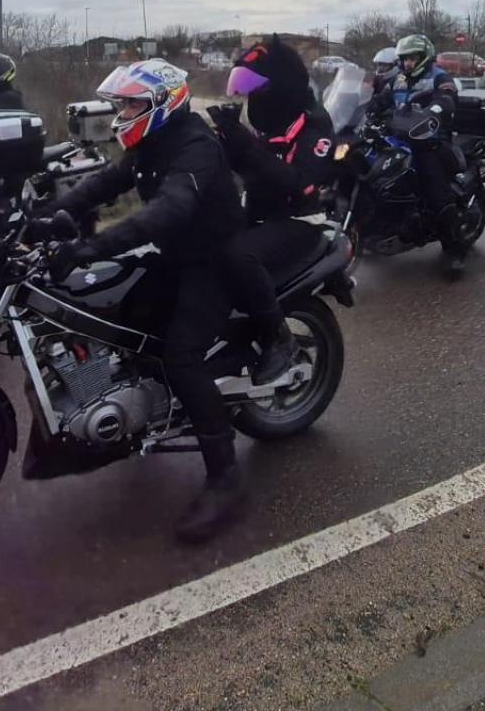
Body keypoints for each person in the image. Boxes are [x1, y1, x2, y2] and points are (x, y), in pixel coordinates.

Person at [41, 59, 248, 542]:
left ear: (163, 103)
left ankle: (225, 477)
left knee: (181, 356)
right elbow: (103, 184)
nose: (124, 113)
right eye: (123, 105)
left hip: (214, 260)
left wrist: (91, 247)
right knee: (117, 314)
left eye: (132, 105)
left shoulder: (195, 145)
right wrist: (47, 217)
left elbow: (167, 210)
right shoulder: (151, 143)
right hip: (175, 255)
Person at [205, 35, 337, 386]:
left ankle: (279, 338)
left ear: (280, 87)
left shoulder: (315, 126)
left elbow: (300, 183)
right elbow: (251, 171)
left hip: (300, 220)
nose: (254, 98)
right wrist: (222, 143)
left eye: (259, 89)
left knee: (239, 255)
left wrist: (246, 146)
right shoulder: (271, 126)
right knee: (200, 243)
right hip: (260, 215)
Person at [381, 33, 469, 272]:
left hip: (430, 142)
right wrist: (368, 109)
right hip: (400, 141)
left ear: (424, 57)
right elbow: (380, 100)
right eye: (405, 59)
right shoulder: (397, 80)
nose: (408, 63)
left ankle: (454, 250)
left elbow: (447, 98)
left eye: (412, 58)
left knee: (436, 193)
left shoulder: (439, 77)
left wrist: (434, 110)